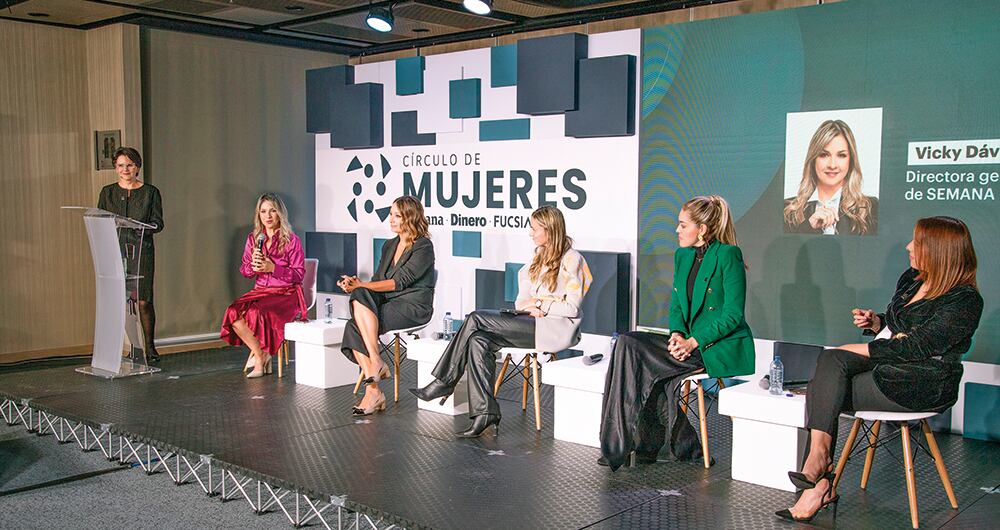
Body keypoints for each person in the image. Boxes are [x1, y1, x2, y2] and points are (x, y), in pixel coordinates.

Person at [776, 216, 983, 523]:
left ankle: (818, 480)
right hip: (889, 362)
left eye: (917, 243)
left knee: (826, 385)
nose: (908, 246)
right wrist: (877, 323)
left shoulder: (965, 300)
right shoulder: (912, 279)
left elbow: (917, 346)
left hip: (923, 382)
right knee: (830, 363)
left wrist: (859, 348)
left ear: (939, 251)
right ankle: (818, 463)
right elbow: (901, 328)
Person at [599, 195, 754, 471]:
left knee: (641, 360)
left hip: (712, 347)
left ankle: (641, 443)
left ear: (702, 229)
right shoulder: (683, 255)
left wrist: (693, 341)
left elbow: (733, 315)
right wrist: (676, 335)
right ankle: (621, 441)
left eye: (683, 225)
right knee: (627, 342)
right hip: (686, 343)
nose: (677, 230)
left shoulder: (728, 255)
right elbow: (676, 305)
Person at [411, 205, 592, 437]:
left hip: (555, 329)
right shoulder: (538, 258)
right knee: (478, 340)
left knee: (476, 317)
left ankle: (445, 380)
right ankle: (485, 413)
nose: (530, 233)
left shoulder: (572, 259)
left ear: (550, 230)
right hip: (531, 323)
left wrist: (540, 305)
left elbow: (571, 307)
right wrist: (533, 305)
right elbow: (521, 303)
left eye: (535, 229)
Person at [338, 196, 435, 416]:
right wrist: (356, 284)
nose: (390, 219)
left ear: (409, 218)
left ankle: (374, 379)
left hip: (413, 306)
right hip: (390, 301)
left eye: (396, 215)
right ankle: (375, 374)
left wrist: (362, 285)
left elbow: (400, 282)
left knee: (356, 322)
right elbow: (377, 279)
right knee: (359, 301)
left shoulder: (423, 246)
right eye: (390, 214)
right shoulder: (389, 244)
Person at [220, 193, 306, 379]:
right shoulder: (253, 239)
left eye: (272, 211)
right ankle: (261, 354)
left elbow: (299, 274)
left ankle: (259, 361)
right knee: (233, 312)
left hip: (285, 293)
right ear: (258, 214)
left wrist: (273, 268)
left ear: (280, 214)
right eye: (263, 211)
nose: (268, 216)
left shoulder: (292, 240)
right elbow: (245, 271)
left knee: (255, 312)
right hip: (261, 291)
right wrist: (252, 266)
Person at [97, 147, 164, 362]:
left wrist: (145, 226)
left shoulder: (150, 192)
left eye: (130, 165)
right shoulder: (107, 192)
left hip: (141, 250)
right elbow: (100, 220)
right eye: (121, 166)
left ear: (137, 167)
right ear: (115, 168)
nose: (126, 169)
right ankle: (132, 347)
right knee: (124, 301)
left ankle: (150, 348)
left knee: (143, 301)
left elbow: (158, 223)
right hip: (116, 251)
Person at [783, 119, 878, 235]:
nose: (832, 165)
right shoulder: (788, 210)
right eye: (824, 155)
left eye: (841, 155)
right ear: (813, 160)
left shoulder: (870, 208)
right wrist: (809, 226)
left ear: (851, 160)